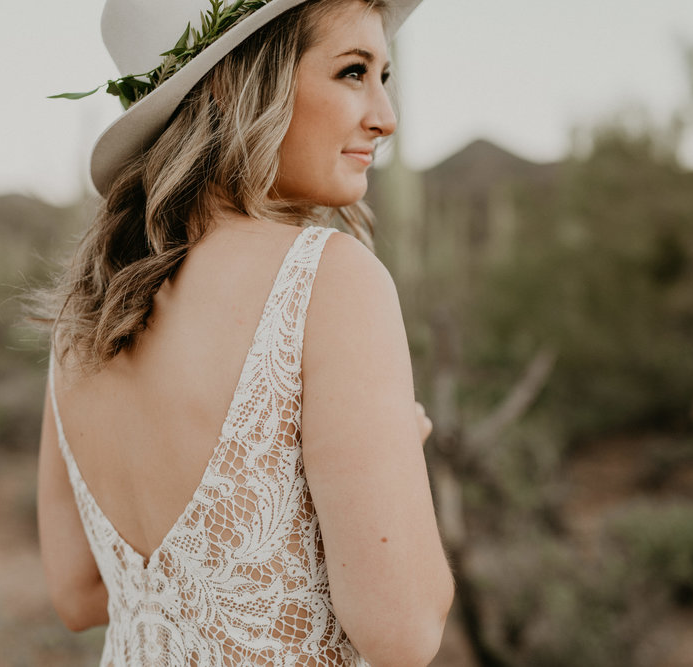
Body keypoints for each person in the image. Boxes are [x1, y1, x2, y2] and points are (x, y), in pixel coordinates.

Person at [36, 0, 454, 664]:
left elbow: (80, 593)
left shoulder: (84, 316)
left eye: (385, 76)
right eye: (352, 71)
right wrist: (396, 446)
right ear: (243, 84)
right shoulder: (331, 281)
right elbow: (403, 630)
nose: (385, 116)